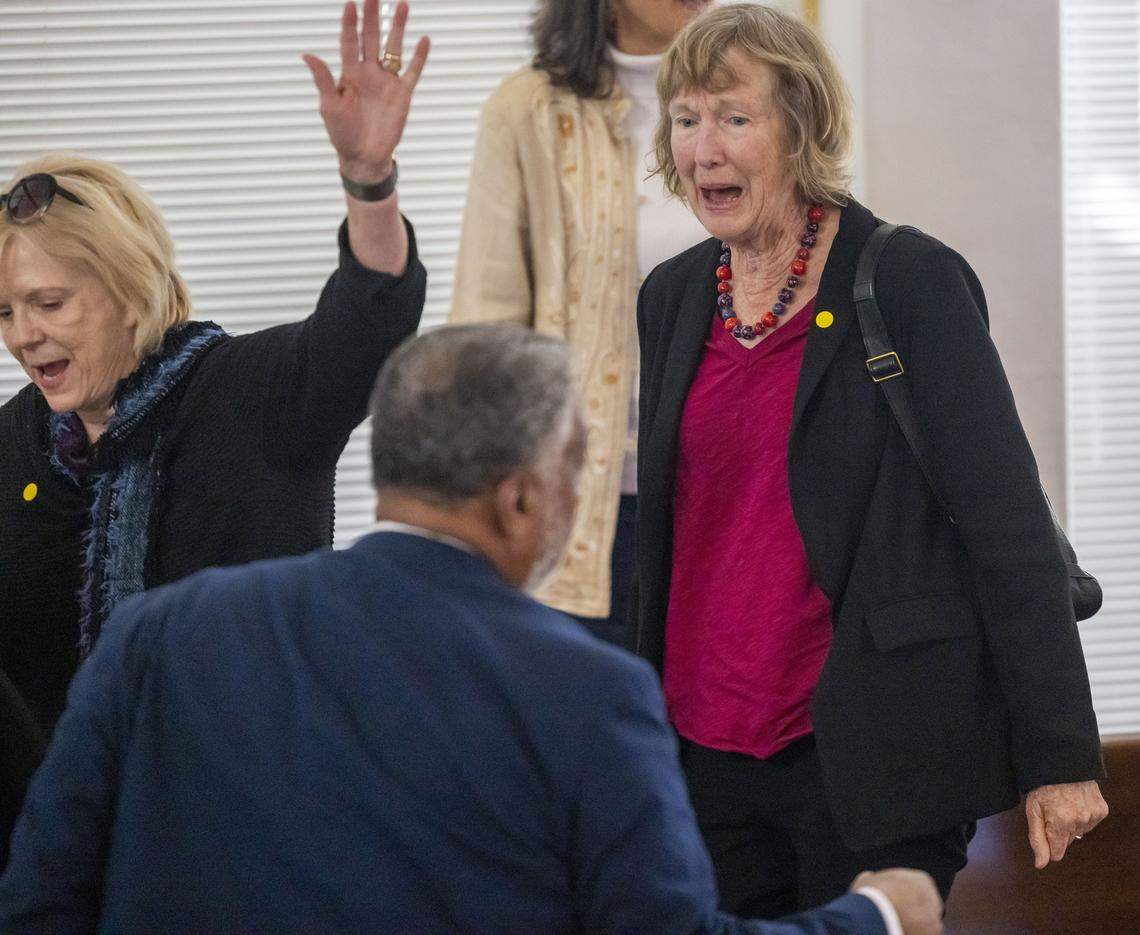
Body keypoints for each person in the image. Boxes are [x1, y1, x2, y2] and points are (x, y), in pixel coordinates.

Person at [0, 324, 944, 935]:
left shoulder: (160, 634)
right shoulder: (591, 694)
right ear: (524, 495)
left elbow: (40, 902)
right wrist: (880, 914)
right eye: (576, 473)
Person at [632, 3, 1108, 919]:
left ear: (801, 124)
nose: (703, 148)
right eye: (686, 119)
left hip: (873, 744)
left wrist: (1059, 755)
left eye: (734, 116)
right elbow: (678, 527)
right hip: (704, 748)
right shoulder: (674, 296)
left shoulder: (906, 280)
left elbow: (1005, 519)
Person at [0, 0, 429, 858]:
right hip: (61, 849)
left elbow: (370, 320)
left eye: (49, 303)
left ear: (128, 287)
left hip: (253, 833)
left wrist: (368, 180)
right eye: (6, 311)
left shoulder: (253, 393)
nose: (22, 334)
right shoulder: (17, 443)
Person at [448, 0, 713, 645]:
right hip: (591, 513)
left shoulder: (759, 95)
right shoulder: (528, 111)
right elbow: (487, 332)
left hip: (735, 497)